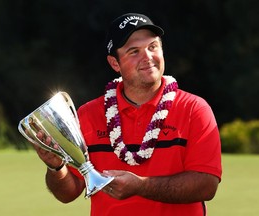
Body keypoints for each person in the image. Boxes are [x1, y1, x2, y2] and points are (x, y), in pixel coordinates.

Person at [33, 13, 222, 216]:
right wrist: (56, 167)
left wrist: (141, 186)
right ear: (115, 63)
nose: (148, 57)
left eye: (153, 47)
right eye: (134, 51)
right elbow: (68, 193)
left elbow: (206, 185)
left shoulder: (194, 109)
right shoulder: (89, 114)